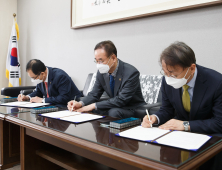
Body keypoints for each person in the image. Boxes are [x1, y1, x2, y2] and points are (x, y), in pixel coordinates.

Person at [142, 41, 222, 170]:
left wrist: (185, 125)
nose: (169, 78)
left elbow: (219, 122)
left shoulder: (216, 82)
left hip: (209, 132)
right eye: (165, 73)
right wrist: (155, 117)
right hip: (180, 133)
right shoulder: (167, 80)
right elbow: (167, 109)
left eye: (173, 73)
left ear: (191, 68)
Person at [68, 40, 146, 118]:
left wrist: (93, 105)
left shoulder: (131, 73)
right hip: (115, 106)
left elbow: (121, 100)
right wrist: (80, 103)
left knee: (112, 112)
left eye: (101, 61)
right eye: (96, 61)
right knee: (93, 110)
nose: (98, 65)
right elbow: (94, 94)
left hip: (132, 108)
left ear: (113, 58)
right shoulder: (101, 72)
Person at [17, 59, 82, 105]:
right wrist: (27, 97)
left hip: (69, 106)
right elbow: (38, 92)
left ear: (42, 74)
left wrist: (42, 100)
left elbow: (63, 98)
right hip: (53, 105)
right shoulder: (41, 75)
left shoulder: (60, 76)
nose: (33, 80)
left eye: (34, 78)